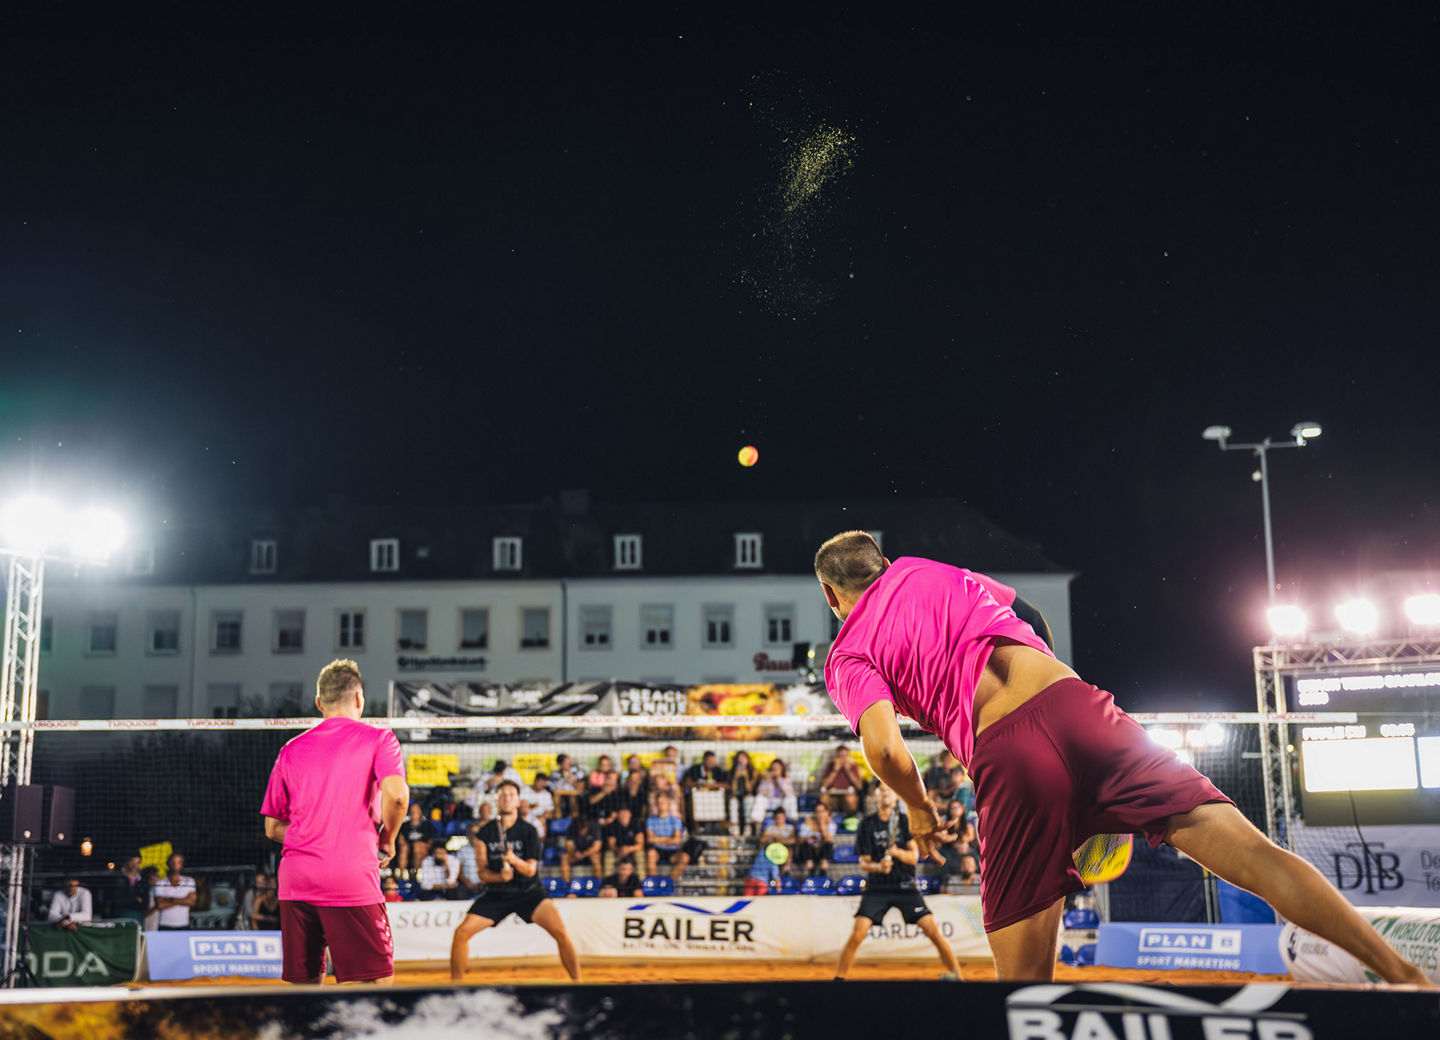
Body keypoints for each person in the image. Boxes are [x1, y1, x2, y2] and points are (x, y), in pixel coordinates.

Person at [814, 530, 1434, 985]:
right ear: (885, 563)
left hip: (1008, 754)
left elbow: (883, 746)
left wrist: (920, 810)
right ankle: (1402, 975)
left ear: (830, 593)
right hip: (1079, 705)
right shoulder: (926, 569)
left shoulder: (847, 650)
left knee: (1022, 986)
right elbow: (1026, 614)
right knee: (1253, 857)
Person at [262, 658, 409, 985]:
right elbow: (397, 797)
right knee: (373, 986)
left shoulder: (290, 749)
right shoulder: (379, 739)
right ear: (359, 699)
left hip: (296, 882)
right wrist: (388, 838)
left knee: (304, 988)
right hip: (349, 877)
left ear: (319, 703)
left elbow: (273, 828)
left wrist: (313, 833)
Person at [450, 779, 580, 981]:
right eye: (503, 795)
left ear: (519, 801)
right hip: (497, 894)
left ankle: (578, 982)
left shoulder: (529, 831)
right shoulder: (485, 833)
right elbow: (483, 874)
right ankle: (455, 985)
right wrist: (499, 876)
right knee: (461, 933)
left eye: (511, 794)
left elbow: (530, 870)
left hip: (530, 892)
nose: (507, 798)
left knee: (561, 932)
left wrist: (514, 861)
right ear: (497, 800)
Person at [835, 785, 961, 980]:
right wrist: (879, 867)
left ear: (895, 798)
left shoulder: (905, 822)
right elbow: (863, 862)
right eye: (881, 791)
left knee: (933, 931)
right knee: (858, 934)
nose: (886, 793)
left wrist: (897, 853)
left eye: (889, 790)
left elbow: (913, 857)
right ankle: (838, 980)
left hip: (905, 886)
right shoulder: (867, 825)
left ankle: (958, 976)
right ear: (875, 797)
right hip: (877, 888)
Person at [645, 793, 700, 881]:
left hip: (672, 851)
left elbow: (676, 840)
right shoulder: (650, 819)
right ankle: (654, 882)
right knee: (650, 854)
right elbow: (650, 839)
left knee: (685, 857)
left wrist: (658, 839)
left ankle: (670, 882)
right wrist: (668, 839)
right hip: (657, 851)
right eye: (659, 803)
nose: (661, 805)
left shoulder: (675, 820)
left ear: (667, 804)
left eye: (663, 803)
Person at [151, 853, 198, 930]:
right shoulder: (160, 883)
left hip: (183, 925)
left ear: (182, 864)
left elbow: (191, 902)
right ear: (168, 864)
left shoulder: (190, 881)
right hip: (165, 925)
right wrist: (184, 900)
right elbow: (160, 905)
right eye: (173, 862)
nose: (175, 865)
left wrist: (170, 899)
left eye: (179, 862)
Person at [819, 744, 865, 816]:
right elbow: (824, 785)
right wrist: (834, 771)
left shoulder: (853, 766)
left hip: (847, 795)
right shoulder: (831, 765)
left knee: (850, 799)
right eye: (840, 756)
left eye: (844, 756)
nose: (842, 758)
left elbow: (859, 786)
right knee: (824, 798)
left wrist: (848, 771)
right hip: (833, 796)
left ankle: (851, 817)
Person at [795, 803, 837, 878]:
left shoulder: (831, 823)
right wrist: (809, 837)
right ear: (814, 813)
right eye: (817, 812)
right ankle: (811, 870)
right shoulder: (807, 822)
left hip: (822, 852)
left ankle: (823, 870)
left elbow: (829, 839)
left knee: (829, 844)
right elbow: (799, 840)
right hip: (809, 851)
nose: (820, 814)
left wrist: (822, 825)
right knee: (805, 844)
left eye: (822, 811)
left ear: (827, 813)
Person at [396, 802, 437, 878]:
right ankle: (401, 875)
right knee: (404, 849)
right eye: (412, 810)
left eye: (416, 810)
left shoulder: (427, 825)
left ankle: (418, 873)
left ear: (420, 811)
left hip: (422, 850)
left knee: (417, 846)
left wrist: (422, 845)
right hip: (408, 851)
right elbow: (400, 841)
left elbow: (431, 841)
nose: (414, 812)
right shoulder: (404, 825)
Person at [751, 759, 798, 823]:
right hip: (770, 802)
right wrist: (766, 781)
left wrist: (779, 780)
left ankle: (792, 820)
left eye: (777, 768)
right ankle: (757, 821)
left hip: (782, 802)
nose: (775, 770)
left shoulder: (786, 778)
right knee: (760, 798)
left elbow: (788, 793)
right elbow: (760, 792)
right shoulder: (766, 778)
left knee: (791, 798)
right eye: (773, 768)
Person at [561, 812, 604, 883]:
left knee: (596, 857)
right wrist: (573, 852)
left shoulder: (594, 827)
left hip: (589, 854)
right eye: (580, 829)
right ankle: (566, 884)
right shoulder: (572, 827)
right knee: (564, 857)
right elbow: (568, 845)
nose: (582, 832)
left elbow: (597, 847)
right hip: (575, 854)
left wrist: (583, 854)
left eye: (583, 829)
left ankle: (598, 883)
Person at [106, 854, 148, 925]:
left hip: (137, 918)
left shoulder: (143, 882)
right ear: (127, 862)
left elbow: (144, 904)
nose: (134, 865)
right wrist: (136, 900)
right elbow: (117, 901)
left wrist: (126, 899)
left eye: (137, 862)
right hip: (120, 918)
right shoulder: (117, 880)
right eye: (132, 862)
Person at [728, 751, 761, 835]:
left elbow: (749, 789)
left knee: (749, 799)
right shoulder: (732, 771)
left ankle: (748, 826)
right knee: (733, 800)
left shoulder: (753, 772)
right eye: (739, 758)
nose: (741, 760)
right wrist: (736, 777)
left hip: (749, 796)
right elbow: (733, 790)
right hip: (736, 795)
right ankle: (734, 826)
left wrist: (746, 777)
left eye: (743, 758)